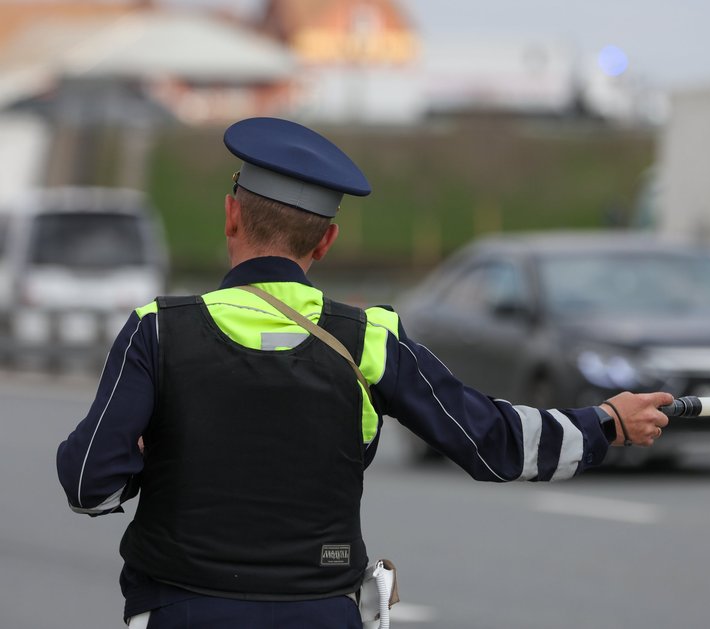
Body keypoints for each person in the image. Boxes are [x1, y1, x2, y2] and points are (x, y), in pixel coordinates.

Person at [56, 117, 672, 628]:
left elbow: (90, 483)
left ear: (230, 216)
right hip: (322, 612)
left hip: (183, 609)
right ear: (325, 243)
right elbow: (494, 444)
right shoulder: (370, 337)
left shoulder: (158, 331)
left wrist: (142, 458)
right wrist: (606, 423)